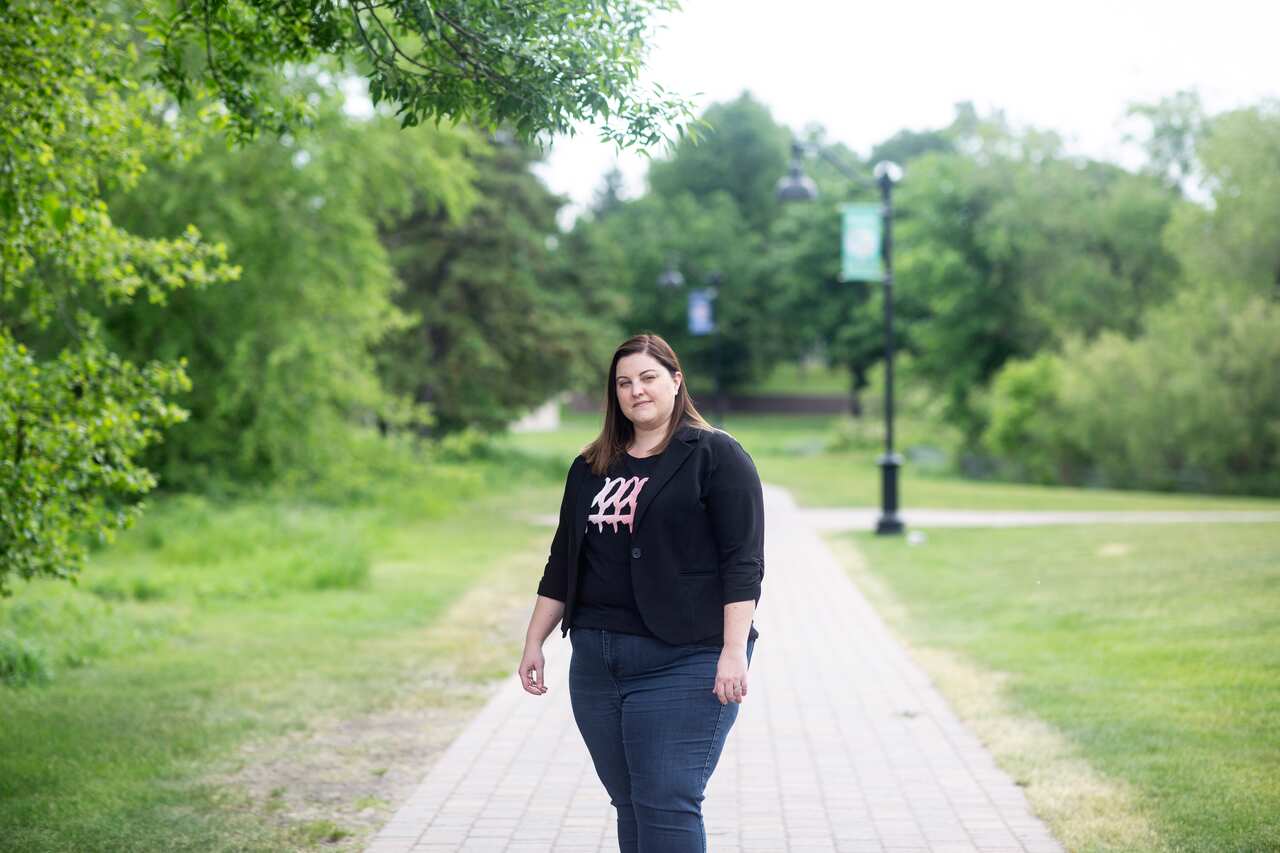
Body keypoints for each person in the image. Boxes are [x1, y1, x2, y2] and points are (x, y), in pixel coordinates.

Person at [517, 332, 765, 853]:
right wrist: (534, 640)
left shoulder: (715, 455)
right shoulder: (590, 467)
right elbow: (563, 560)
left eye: (648, 378)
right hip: (597, 665)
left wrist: (732, 652)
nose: (637, 391)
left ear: (676, 381)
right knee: (630, 803)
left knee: (667, 803)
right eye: (624, 383)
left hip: (685, 659)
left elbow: (743, 563)